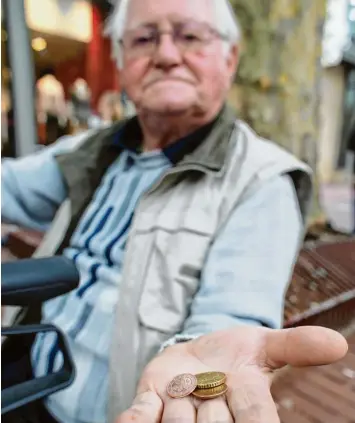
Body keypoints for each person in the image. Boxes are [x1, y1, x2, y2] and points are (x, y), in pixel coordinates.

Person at [1, 0, 348, 422]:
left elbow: (231, 314)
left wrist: (204, 359)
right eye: (145, 39)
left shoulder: (262, 182)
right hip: (21, 370)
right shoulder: (89, 150)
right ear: (122, 60)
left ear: (230, 57)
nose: (166, 55)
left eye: (190, 36)